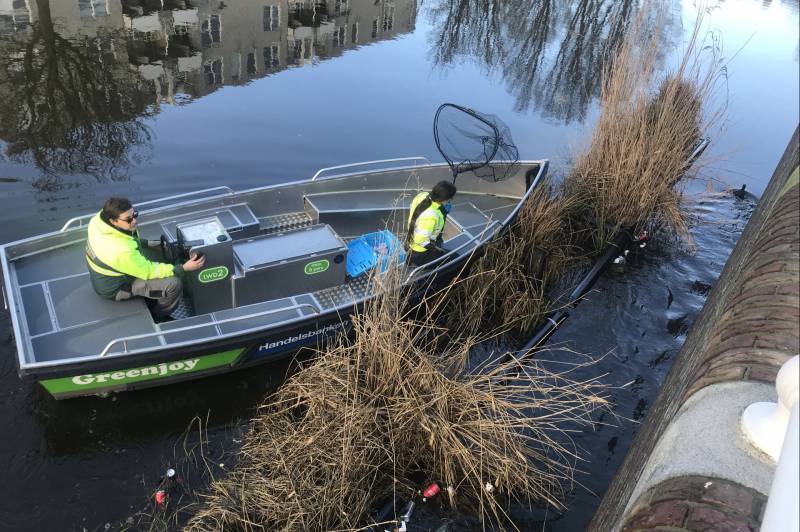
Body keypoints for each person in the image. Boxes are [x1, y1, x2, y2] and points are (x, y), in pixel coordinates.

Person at [85, 197, 206, 318]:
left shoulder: (99, 220)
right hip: (118, 287)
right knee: (174, 284)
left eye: (134, 215)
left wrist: (148, 244)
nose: (134, 221)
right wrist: (183, 268)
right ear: (113, 221)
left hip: (117, 269)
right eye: (129, 219)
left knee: (163, 253)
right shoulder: (120, 250)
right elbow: (148, 271)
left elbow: (127, 239)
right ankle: (160, 315)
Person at [405, 180, 457, 267]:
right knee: (455, 258)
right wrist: (437, 249)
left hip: (409, 242)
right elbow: (420, 240)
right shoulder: (431, 216)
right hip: (420, 254)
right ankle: (416, 263)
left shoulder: (422, 195)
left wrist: (442, 210)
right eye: (450, 199)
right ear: (445, 199)